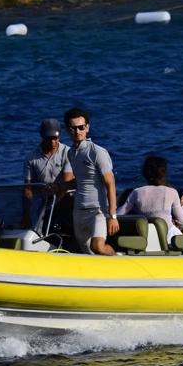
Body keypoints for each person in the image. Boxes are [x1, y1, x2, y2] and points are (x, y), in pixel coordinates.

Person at [59, 107, 119, 255]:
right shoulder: (71, 153)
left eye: (81, 127)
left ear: (87, 128)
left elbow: (110, 184)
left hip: (98, 210)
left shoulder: (97, 152)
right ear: (67, 130)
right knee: (86, 252)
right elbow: (79, 181)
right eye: (73, 128)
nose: (77, 131)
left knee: (97, 247)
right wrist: (59, 186)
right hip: (79, 210)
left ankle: (118, 259)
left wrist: (112, 216)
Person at [116, 155, 183, 244]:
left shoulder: (137, 192)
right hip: (170, 237)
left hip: (148, 237)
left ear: (145, 173)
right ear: (164, 172)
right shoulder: (172, 192)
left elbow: (119, 214)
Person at [22, 118, 73, 232]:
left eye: (55, 138)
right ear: (42, 136)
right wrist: (26, 213)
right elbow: (27, 188)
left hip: (65, 198)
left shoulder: (68, 153)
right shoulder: (31, 157)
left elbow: (67, 183)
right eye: (49, 138)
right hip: (43, 200)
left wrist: (49, 207)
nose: (53, 142)